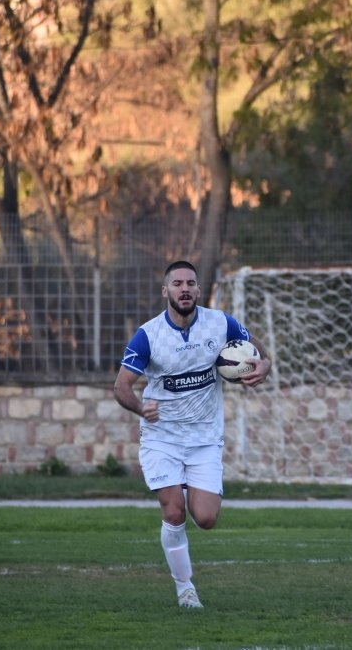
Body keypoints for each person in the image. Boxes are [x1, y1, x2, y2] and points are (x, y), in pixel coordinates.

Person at [113, 260, 271, 608]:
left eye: (191, 283)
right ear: (165, 291)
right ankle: (185, 589)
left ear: (199, 290)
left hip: (204, 440)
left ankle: (187, 489)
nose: (184, 289)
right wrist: (141, 407)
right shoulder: (148, 335)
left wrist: (264, 364)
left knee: (206, 518)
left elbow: (257, 349)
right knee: (173, 512)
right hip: (162, 439)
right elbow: (122, 386)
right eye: (177, 283)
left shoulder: (220, 323)